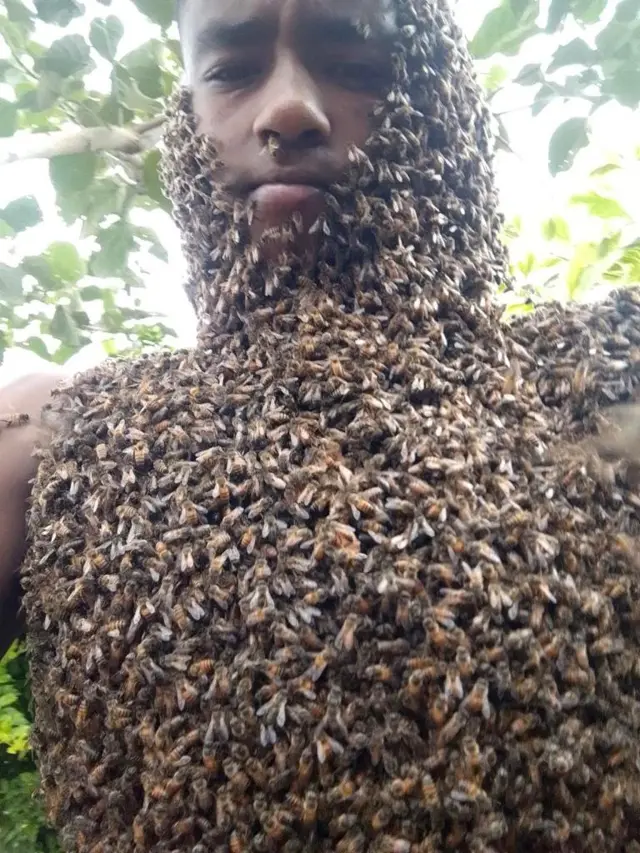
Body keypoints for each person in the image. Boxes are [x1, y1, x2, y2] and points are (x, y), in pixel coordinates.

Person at [5, 0, 640, 851]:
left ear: (438, 100)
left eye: (357, 64)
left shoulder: (608, 375)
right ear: (185, 115)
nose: (289, 109)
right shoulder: (52, 438)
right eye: (231, 69)